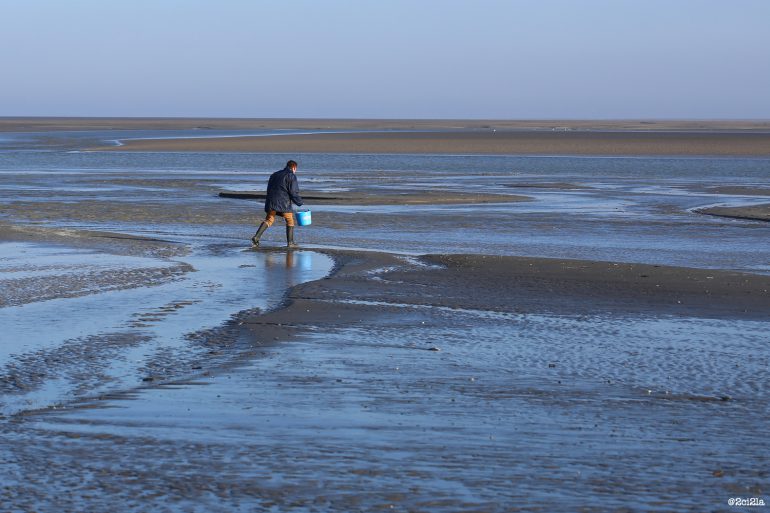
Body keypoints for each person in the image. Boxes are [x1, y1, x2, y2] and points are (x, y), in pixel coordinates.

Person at [251, 160, 303, 248]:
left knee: (269, 219)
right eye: (296, 169)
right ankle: (290, 243)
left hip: (271, 201)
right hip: (283, 203)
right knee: (290, 220)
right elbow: (293, 191)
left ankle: (256, 237)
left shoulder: (274, 174)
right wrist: (299, 202)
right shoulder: (291, 176)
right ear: (294, 167)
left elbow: (269, 188)